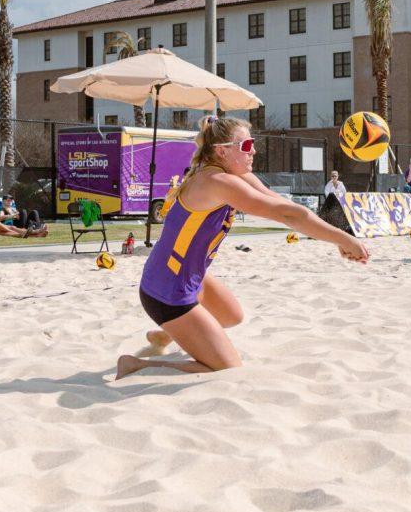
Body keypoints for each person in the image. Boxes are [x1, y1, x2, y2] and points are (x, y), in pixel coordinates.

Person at [115, 115, 369, 378]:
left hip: (182, 274)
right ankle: (136, 365)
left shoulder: (226, 172)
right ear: (222, 150)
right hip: (167, 292)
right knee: (228, 368)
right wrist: (344, 238)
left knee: (231, 316)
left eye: (252, 143)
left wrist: (339, 236)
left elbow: (286, 207)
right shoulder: (219, 182)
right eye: (246, 145)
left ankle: (165, 334)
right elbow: (288, 217)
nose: (254, 150)